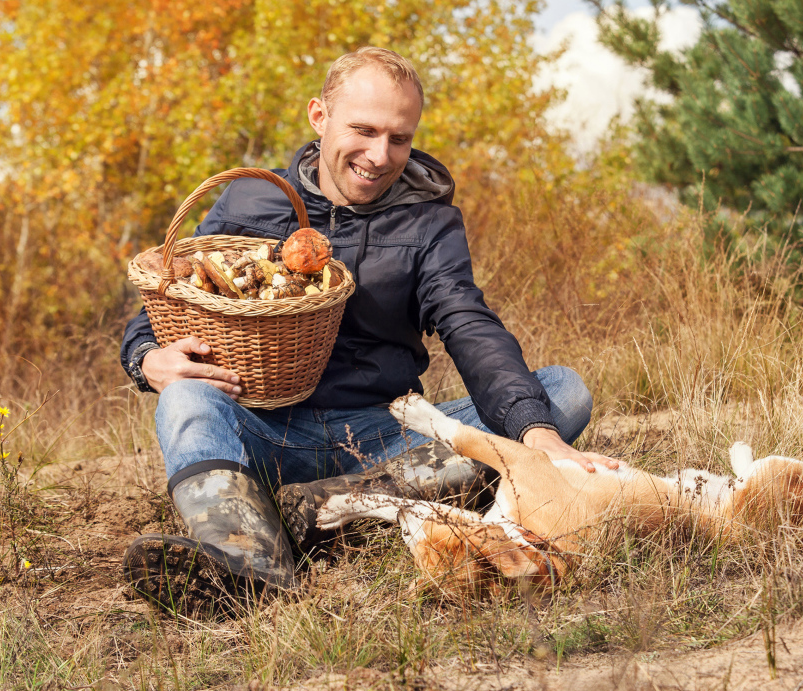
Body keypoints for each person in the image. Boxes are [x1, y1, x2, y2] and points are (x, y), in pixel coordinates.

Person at [117, 47, 616, 615]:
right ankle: (251, 566)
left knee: (561, 393)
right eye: (364, 130)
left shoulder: (430, 222)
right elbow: (169, 294)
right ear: (319, 117)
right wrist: (146, 357)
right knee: (185, 398)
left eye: (399, 138)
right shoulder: (251, 197)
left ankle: (332, 507)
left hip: (385, 434)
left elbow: (466, 321)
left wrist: (536, 434)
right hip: (263, 431)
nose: (380, 156)